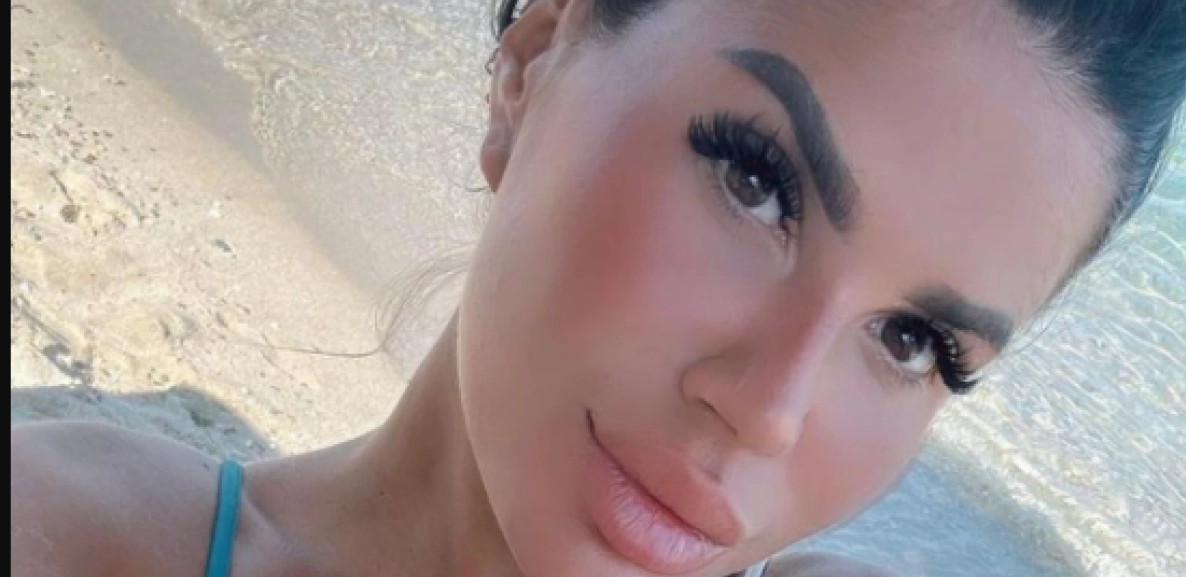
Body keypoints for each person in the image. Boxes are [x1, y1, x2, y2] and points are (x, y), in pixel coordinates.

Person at [11, 0, 1186, 576]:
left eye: (915, 339)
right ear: (531, 64)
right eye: (756, 181)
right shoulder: (72, 535)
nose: (768, 410)